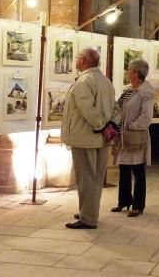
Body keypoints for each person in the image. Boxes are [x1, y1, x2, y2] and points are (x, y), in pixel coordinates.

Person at [61, 48, 117, 229]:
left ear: (84, 60)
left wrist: (100, 126)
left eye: (77, 57)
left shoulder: (85, 81)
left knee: (86, 178)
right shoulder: (105, 80)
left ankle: (87, 218)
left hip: (86, 137)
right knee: (95, 177)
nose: (75, 60)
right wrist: (109, 127)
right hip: (100, 138)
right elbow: (115, 109)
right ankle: (89, 211)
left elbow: (88, 110)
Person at [111, 59, 155, 217]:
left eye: (129, 70)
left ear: (136, 73)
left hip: (135, 137)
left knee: (138, 170)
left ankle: (138, 205)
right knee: (123, 168)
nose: (127, 72)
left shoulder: (146, 92)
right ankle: (124, 201)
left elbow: (146, 117)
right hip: (123, 136)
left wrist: (132, 126)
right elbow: (118, 108)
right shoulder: (128, 90)